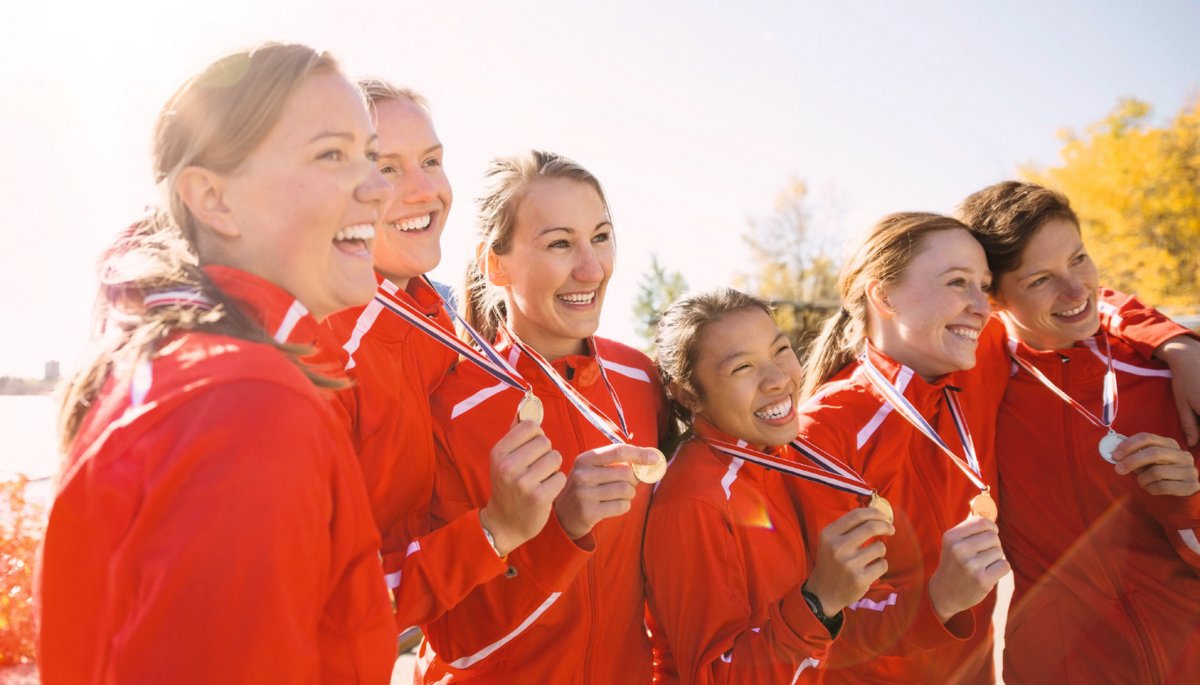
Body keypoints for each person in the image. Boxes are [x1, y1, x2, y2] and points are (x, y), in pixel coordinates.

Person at [35, 44, 396, 684]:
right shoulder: (246, 404)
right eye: (331, 154)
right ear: (213, 200)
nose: (378, 186)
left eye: (369, 154)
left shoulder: (194, 373)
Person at [321, 81, 564, 636]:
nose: (425, 189)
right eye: (387, 168)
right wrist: (493, 532)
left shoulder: (435, 327)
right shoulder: (320, 352)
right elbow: (331, 605)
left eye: (432, 161)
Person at [417, 150, 667, 683]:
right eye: (559, 243)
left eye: (601, 237)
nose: (591, 268)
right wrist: (563, 529)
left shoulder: (642, 379)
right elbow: (457, 643)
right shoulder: (447, 408)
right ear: (495, 264)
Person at [959, 181, 1200, 684]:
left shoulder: (1169, 379)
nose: (1076, 291)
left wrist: (1189, 503)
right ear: (995, 297)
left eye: (1080, 260)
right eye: (1040, 279)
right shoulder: (977, 383)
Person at [796, 212, 1008, 683]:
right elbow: (819, 618)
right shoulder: (824, 430)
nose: (983, 306)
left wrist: (1174, 344)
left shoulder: (977, 361)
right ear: (884, 295)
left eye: (984, 285)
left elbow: (1069, 293)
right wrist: (939, 600)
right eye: (958, 283)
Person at [643, 288, 894, 684]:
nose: (778, 379)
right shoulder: (693, 500)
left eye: (780, 350)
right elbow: (713, 676)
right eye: (742, 368)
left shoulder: (780, 456)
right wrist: (818, 602)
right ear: (688, 394)